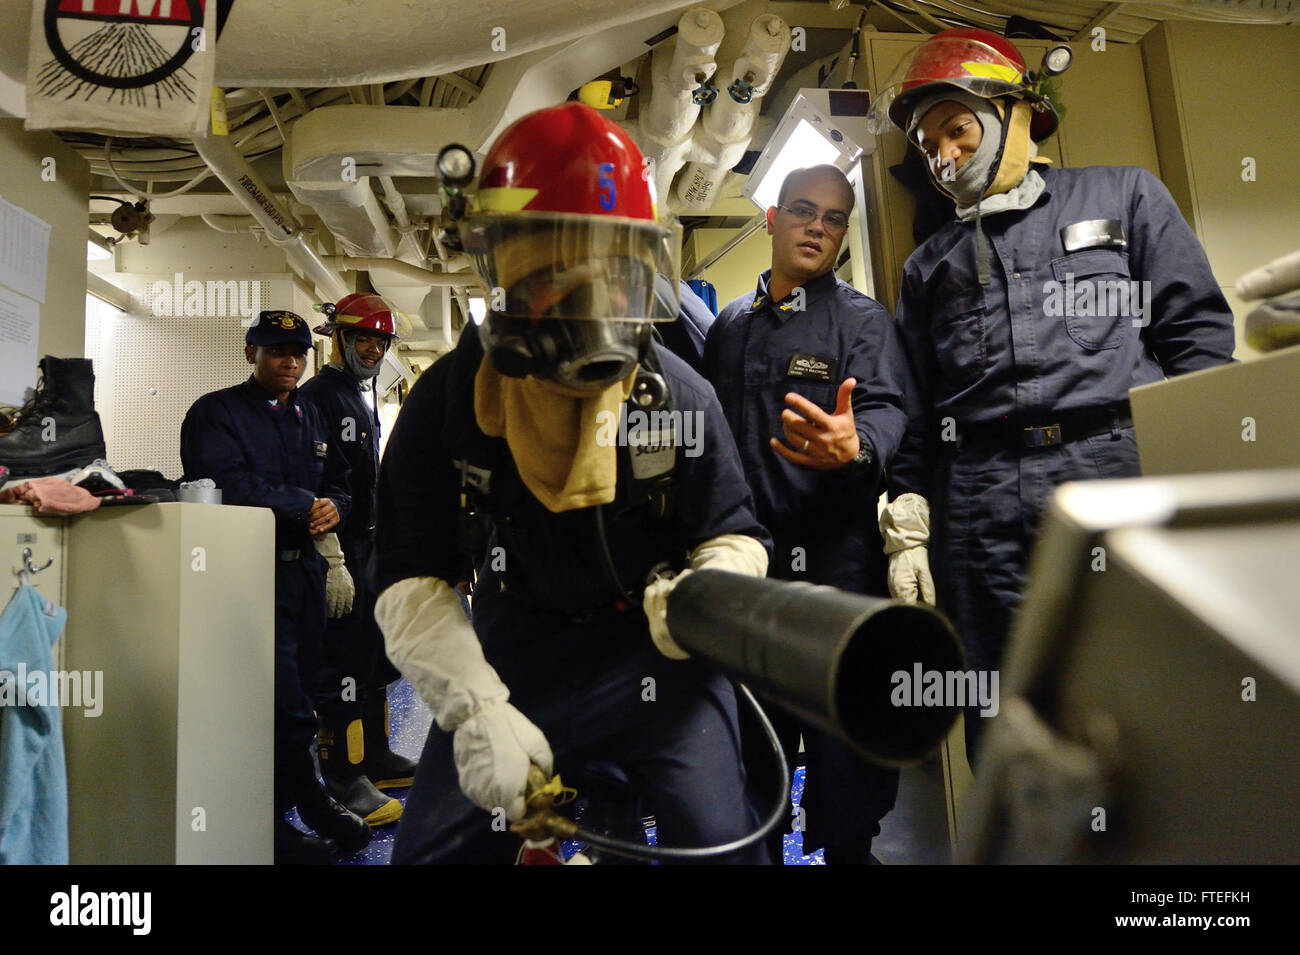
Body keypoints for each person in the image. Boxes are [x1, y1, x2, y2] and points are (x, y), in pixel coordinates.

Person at [372, 101, 773, 864]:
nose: (581, 301)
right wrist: (475, 706)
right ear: (504, 273)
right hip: (510, 651)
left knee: (725, 845)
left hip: (654, 657)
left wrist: (698, 599)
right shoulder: (451, 401)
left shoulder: (678, 397)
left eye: (603, 270)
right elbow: (407, 572)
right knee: (428, 856)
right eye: (549, 272)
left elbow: (735, 532)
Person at [868, 28, 1236, 759]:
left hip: (1113, 469)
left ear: (1019, 113)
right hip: (981, 496)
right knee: (1008, 714)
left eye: (957, 129)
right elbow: (914, 407)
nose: (941, 157)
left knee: (1145, 696)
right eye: (927, 144)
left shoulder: (1125, 195)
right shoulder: (929, 266)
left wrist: (1197, 477)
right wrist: (908, 522)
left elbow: (1197, 339)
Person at [703, 164, 909, 864]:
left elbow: (886, 411)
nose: (818, 225)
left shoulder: (861, 320)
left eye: (834, 215)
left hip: (836, 563)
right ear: (771, 217)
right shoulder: (728, 325)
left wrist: (858, 450)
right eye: (803, 210)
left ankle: (851, 854)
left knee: (845, 741)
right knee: (752, 740)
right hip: (749, 569)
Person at [180, 309, 371, 864]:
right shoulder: (216, 413)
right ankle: (274, 821)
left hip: (301, 574)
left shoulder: (307, 414)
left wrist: (335, 506)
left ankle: (295, 805)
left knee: (302, 696)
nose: (289, 362)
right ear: (251, 355)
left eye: (297, 354)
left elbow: (340, 481)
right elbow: (223, 482)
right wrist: (300, 504)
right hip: (245, 574)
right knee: (274, 703)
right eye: (275, 353)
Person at [299, 293, 416, 828]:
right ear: (340, 340)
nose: (372, 349)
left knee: (373, 656)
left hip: (367, 549)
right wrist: (332, 557)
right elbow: (318, 486)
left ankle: (375, 759)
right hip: (336, 552)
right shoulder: (320, 398)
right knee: (342, 664)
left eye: (379, 341)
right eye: (363, 339)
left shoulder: (358, 395)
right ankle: (345, 778)